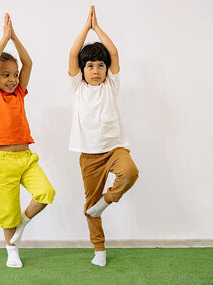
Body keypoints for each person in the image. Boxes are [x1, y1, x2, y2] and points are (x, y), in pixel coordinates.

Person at [0, 13, 55, 268]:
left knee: (46, 192)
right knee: (8, 211)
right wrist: (4, 39)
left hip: (26, 158)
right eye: (6, 75)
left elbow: (28, 62)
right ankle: (12, 250)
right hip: (3, 161)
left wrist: (14, 37)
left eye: (14, 75)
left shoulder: (19, 94)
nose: (12, 79)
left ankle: (23, 223)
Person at [68, 6, 139, 267]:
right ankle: (99, 250)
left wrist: (98, 28)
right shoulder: (78, 88)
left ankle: (107, 200)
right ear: (82, 70)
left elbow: (115, 53)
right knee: (90, 205)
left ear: (107, 70)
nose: (96, 70)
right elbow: (74, 53)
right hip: (89, 155)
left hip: (114, 149)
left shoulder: (111, 85)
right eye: (90, 66)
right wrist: (85, 28)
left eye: (100, 66)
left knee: (130, 173)